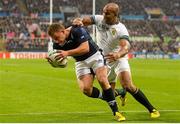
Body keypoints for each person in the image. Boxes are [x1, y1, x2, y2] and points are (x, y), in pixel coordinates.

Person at [73, 2, 160, 118]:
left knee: (128, 85)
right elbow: (84, 21)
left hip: (119, 59)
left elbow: (126, 46)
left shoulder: (121, 29)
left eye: (107, 14)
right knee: (108, 94)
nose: (104, 15)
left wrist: (119, 54)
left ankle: (152, 109)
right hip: (103, 61)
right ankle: (121, 92)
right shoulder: (99, 19)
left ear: (115, 14)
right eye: (103, 12)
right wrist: (78, 21)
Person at [47, 23, 125, 121]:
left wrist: (67, 53)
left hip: (94, 56)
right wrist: (53, 62)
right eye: (54, 39)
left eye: (57, 37)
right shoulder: (57, 45)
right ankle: (116, 93)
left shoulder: (77, 30)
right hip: (80, 62)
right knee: (86, 89)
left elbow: (85, 48)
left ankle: (116, 112)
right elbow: (63, 63)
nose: (56, 41)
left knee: (102, 79)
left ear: (62, 31)